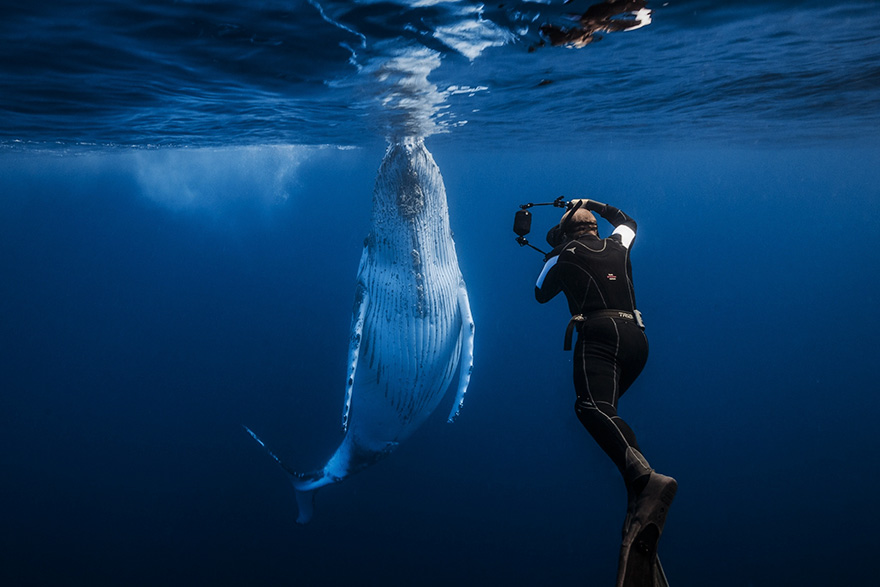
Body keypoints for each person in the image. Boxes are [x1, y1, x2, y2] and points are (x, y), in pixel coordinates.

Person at [534, 199, 676, 584]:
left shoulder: (562, 253)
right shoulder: (618, 243)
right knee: (607, 410)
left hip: (598, 335)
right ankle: (639, 484)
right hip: (637, 339)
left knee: (589, 408)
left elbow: (540, 292)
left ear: (566, 234)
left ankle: (644, 482)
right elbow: (627, 220)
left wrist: (555, 249)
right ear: (593, 225)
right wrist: (591, 203)